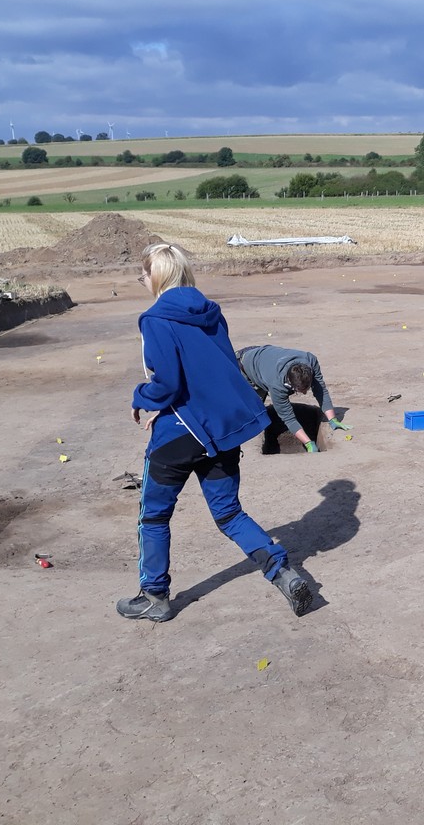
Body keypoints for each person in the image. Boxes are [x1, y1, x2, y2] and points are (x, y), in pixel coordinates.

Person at [119, 243, 312, 623]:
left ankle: (154, 595)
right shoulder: (212, 314)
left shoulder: (154, 320)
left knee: (154, 517)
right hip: (222, 433)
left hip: (179, 434)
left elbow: (168, 383)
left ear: (156, 275)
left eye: (142, 275)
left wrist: (140, 396)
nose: (141, 281)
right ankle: (284, 573)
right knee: (229, 514)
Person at [236, 344, 348, 452]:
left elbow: (320, 390)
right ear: (290, 384)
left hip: (264, 355)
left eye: (306, 389)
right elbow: (288, 417)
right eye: (301, 391)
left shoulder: (310, 360)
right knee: (253, 412)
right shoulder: (277, 384)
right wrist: (309, 443)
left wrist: (332, 419)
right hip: (243, 364)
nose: (304, 394)